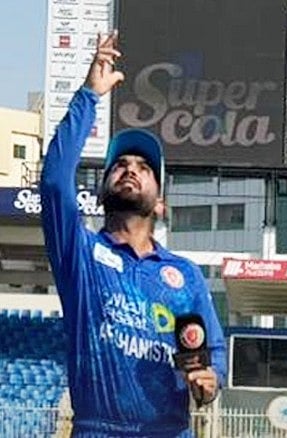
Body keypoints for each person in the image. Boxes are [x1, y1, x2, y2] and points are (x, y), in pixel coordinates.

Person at [41, 31, 227, 437]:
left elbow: (212, 356)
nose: (129, 169)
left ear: (160, 203)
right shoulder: (81, 255)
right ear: (104, 187)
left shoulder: (185, 275)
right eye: (119, 165)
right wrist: (89, 95)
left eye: (144, 168)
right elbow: (55, 182)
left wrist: (209, 384)